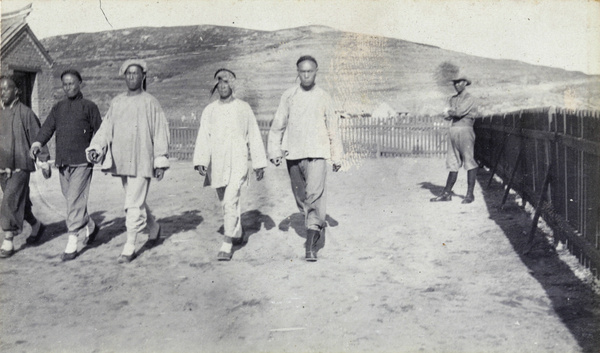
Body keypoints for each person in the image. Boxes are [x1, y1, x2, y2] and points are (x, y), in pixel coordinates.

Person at [85, 59, 170, 263]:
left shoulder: (151, 102)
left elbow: (160, 132)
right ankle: (154, 228)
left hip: (143, 159)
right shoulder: (117, 102)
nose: (132, 76)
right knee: (135, 198)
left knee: (132, 202)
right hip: (123, 160)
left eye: (136, 73)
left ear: (143, 77)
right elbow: (106, 128)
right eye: (128, 73)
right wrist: (97, 147)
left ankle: (130, 245)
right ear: (125, 76)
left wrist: (160, 159)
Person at [268, 55, 343, 262]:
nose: (306, 75)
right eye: (303, 71)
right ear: (298, 72)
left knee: (314, 196)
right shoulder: (289, 96)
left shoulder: (324, 97)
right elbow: (278, 125)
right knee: (301, 198)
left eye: (310, 71)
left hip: (317, 154)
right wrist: (274, 151)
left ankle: (310, 244)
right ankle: (315, 222)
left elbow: (333, 128)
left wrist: (336, 156)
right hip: (293, 154)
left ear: (316, 71)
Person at [193, 68, 267, 261]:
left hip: (238, 161)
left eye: (226, 82)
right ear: (216, 85)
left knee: (230, 200)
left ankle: (227, 244)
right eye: (220, 82)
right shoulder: (209, 111)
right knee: (225, 200)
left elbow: (254, 135)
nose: (223, 85)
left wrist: (259, 163)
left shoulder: (243, 108)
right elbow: (203, 137)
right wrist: (201, 160)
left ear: (232, 85)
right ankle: (238, 231)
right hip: (217, 162)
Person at [30, 70, 102, 261]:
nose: (68, 87)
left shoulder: (89, 107)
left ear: (80, 83)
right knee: (71, 199)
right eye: (65, 84)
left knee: (74, 198)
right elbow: (47, 128)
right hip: (63, 162)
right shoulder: (58, 108)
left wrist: (97, 148)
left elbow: (101, 132)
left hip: (83, 161)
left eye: (72, 83)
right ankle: (91, 226)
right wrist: (38, 142)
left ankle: (72, 241)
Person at [0, 75, 50, 258]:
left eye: (7, 89)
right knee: (21, 203)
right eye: (1, 89)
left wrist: (43, 161)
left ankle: (8, 240)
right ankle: (37, 226)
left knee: (8, 202)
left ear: (17, 91)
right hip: (2, 168)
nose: (3, 92)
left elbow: (39, 138)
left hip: (21, 166)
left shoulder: (26, 113)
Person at [430, 76, 478, 204]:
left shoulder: (470, 98)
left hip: (465, 130)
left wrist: (449, 112)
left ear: (465, 83)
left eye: (459, 82)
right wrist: (449, 112)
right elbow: (447, 115)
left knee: (469, 160)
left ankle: (469, 194)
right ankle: (446, 193)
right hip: (453, 130)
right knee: (452, 162)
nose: (456, 85)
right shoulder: (452, 99)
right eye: (455, 82)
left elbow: (459, 112)